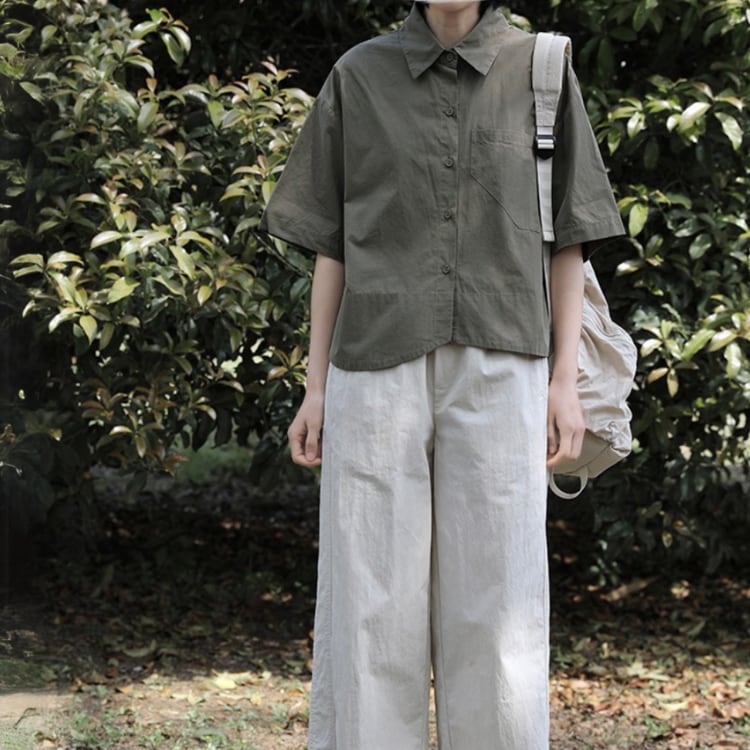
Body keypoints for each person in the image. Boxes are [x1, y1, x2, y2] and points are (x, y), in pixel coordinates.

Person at [260, 1, 624, 747]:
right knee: (368, 605)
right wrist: (315, 386)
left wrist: (564, 381)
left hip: (504, 365)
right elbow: (333, 245)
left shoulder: (540, 70)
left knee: (499, 609)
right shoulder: (358, 75)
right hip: (374, 366)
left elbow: (569, 239)